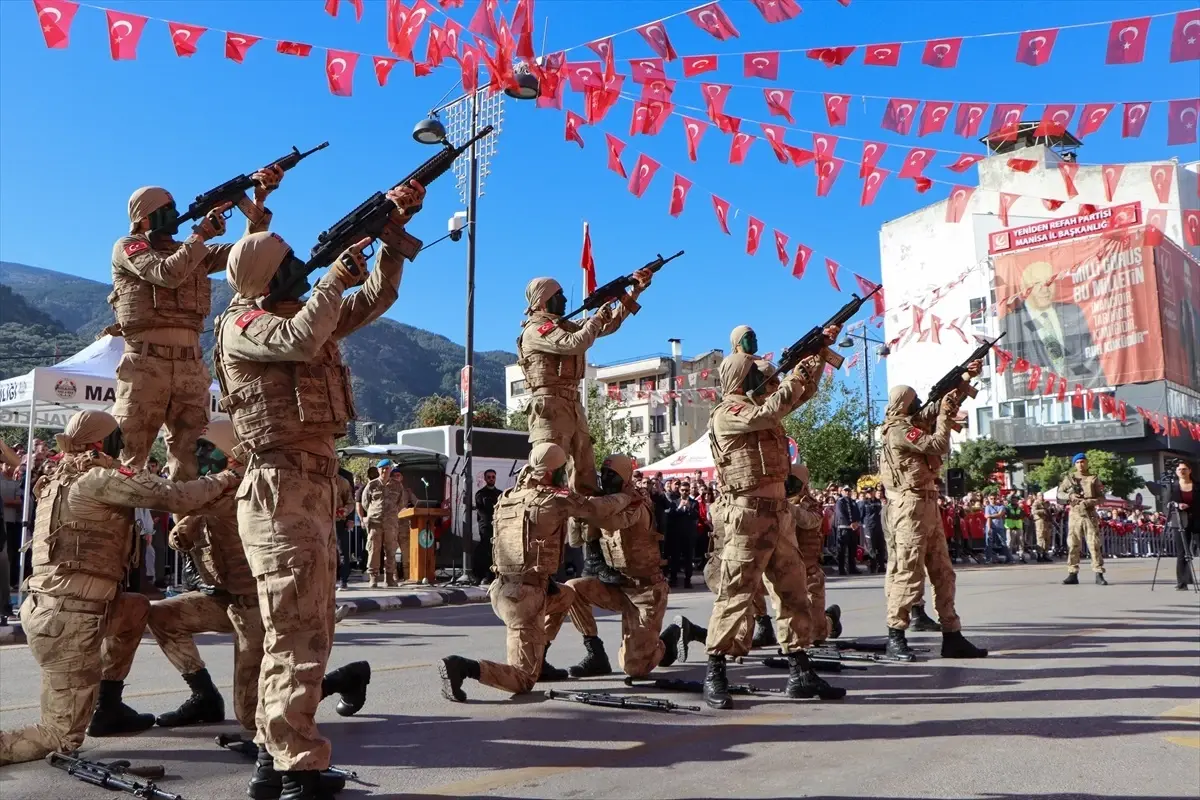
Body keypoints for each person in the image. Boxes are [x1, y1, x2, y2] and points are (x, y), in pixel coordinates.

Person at [213, 181, 424, 799]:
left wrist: (390, 234)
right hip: (279, 488)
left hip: (308, 489)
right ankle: (296, 769)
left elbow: (377, 297)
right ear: (264, 274)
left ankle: (273, 761)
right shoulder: (242, 323)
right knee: (296, 632)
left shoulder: (305, 315)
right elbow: (301, 340)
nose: (301, 269)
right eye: (289, 263)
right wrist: (333, 277)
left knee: (307, 630)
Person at [0, 411, 241, 766]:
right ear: (100, 443)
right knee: (61, 736)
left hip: (70, 607)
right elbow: (174, 497)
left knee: (135, 608)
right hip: (69, 618)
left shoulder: (58, 478)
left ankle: (108, 705)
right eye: (117, 438)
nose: (123, 445)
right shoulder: (97, 478)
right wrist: (227, 476)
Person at [147, 421, 367, 797]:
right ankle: (203, 694)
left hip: (256, 607)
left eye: (208, 450)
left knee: (251, 715)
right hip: (223, 599)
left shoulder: (240, 483)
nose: (202, 457)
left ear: (231, 453)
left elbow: (180, 497)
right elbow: (183, 525)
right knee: (161, 615)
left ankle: (335, 683)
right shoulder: (219, 485)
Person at [109, 167, 282, 480]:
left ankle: (187, 529)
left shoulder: (193, 250)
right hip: (145, 364)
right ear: (145, 218)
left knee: (190, 463)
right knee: (129, 461)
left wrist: (258, 199)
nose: (176, 215)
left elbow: (247, 255)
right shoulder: (128, 246)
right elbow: (166, 274)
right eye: (167, 211)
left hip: (190, 365)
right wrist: (200, 234)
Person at [702, 340, 846, 710]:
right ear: (740, 375)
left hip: (778, 513)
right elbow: (771, 410)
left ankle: (800, 670)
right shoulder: (728, 412)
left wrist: (813, 360)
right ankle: (715, 669)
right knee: (737, 593)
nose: (765, 378)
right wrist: (795, 373)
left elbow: (796, 398)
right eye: (756, 372)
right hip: (748, 514)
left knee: (792, 591)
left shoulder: (762, 407)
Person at [438, 443, 631, 701]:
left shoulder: (508, 496)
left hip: (502, 588)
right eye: (562, 469)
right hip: (524, 598)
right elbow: (597, 509)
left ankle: (539, 658)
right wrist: (627, 497)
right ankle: (463, 667)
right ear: (552, 471)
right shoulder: (554, 500)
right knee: (523, 679)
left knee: (566, 595)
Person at [516, 269, 652, 579]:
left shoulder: (560, 326)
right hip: (548, 408)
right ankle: (537, 562)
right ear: (542, 301)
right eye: (558, 296)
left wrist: (634, 293)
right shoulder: (537, 331)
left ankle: (592, 558)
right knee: (544, 483)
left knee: (586, 483)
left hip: (572, 408)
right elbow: (576, 343)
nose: (565, 300)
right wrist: (595, 317)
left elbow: (608, 326)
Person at [878, 378, 988, 661]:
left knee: (943, 572)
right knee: (908, 572)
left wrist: (959, 387)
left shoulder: (909, 423)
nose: (918, 405)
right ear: (904, 403)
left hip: (926, 503)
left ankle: (952, 635)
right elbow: (938, 444)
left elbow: (935, 407)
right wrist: (942, 419)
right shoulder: (898, 430)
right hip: (909, 506)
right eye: (914, 401)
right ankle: (896, 634)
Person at [554, 454, 685, 678]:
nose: (605, 478)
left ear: (625, 477)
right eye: (603, 473)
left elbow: (614, 521)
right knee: (572, 588)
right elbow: (576, 541)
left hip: (645, 591)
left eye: (611, 474)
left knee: (635, 669)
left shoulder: (636, 501)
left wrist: (585, 507)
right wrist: (577, 515)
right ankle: (595, 653)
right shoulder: (604, 503)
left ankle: (670, 638)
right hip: (618, 587)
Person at [788, 464, 841, 643]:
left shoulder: (811, 505)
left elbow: (809, 521)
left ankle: (830, 620)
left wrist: (789, 507)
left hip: (808, 570)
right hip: (784, 568)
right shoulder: (778, 502)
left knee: (817, 635)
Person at [1059, 453, 1107, 585]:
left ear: (1087, 463)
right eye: (1078, 462)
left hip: (1089, 514)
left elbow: (1102, 498)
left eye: (1083, 461)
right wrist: (1070, 495)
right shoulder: (1069, 478)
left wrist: (1090, 502)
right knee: (1073, 544)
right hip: (1075, 515)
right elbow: (1060, 493)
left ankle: (1098, 573)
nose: (1081, 464)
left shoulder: (1093, 478)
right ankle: (1072, 573)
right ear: (1074, 464)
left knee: (1094, 544)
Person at [362, 461, 407, 588]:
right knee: (373, 550)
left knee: (390, 551)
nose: (384, 471)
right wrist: (374, 512)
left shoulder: (397, 486)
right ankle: (373, 578)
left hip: (391, 523)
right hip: (375, 522)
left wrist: (391, 514)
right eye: (382, 469)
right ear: (378, 470)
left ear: (390, 469)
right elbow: (365, 503)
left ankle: (389, 578)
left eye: (387, 468)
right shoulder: (372, 485)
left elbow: (401, 503)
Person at [1168, 461, 1197, 590]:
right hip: (1179, 521)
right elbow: (1166, 504)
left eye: (1184, 469)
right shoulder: (1172, 486)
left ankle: (1188, 577)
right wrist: (1177, 505)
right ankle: (1182, 582)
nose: (1182, 471)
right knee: (1182, 553)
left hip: (1197, 520)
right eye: (1179, 469)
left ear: (1190, 471)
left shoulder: (1197, 486)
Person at [474, 469, 503, 585]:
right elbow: (482, 512)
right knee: (486, 550)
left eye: (493, 477)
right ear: (485, 479)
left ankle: (496, 574)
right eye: (489, 477)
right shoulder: (480, 494)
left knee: (498, 551)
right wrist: (491, 520)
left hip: (498, 526)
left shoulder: (500, 494)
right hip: (486, 526)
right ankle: (486, 575)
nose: (491, 479)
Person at [834, 484, 862, 575]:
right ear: (842, 492)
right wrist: (849, 523)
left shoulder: (853, 501)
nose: (847, 492)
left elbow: (857, 513)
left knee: (852, 549)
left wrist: (857, 522)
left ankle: (852, 568)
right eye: (845, 491)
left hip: (852, 529)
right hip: (843, 528)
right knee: (841, 550)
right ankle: (841, 569)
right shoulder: (840, 502)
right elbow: (840, 513)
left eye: (849, 491)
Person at [335, 468, 356, 589]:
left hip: (338, 521)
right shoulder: (316, 477)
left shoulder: (343, 480)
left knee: (342, 551)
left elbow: (350, 501)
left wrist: (346, 513)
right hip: (320, 522)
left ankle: (343, 580)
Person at [859, 487, 885, 574]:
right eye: (868, 492)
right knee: (871, 548)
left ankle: (881, 566)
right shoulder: (864, 503)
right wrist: (865, 526)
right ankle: (873, 567)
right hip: (869, 528)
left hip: (879, 527)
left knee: (881, 547)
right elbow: (861, 516)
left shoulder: (878, 502)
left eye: (871, 492)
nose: (870, 493)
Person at [1004, 491, 1028, 563]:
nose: (1014, 501)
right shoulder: (1007, 508)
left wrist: (1016, 516)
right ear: (1010, 500)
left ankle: (1021, 557)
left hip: (1018, 527)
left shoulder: (1020, 508)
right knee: (1009, 543)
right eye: (1013, 499)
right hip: (1010, 527)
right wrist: (1017, 516)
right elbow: (1010, 516)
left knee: (1021, 543)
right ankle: (1009, 557)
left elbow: (1022, 515)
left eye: (1015, 499)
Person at [1031, 493, 1053, 561]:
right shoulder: (1036, 503)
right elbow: (1033, 511)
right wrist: (1042, 511)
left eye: (1042, 495)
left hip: (1046, 521)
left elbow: (1048, 512)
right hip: (1040, 521)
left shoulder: (1045, 503)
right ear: (1037, 496)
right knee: (1040, 537)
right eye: (1040, 495)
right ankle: (1039, 554)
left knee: (1047, 538)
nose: (1042, 497)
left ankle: (1045, 553)